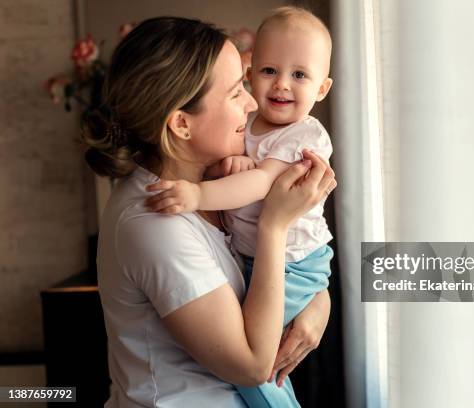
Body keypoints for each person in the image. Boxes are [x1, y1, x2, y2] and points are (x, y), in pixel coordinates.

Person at [82, 16, 336, 408]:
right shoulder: (155, 222)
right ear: (181, 123)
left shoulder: (217, 188)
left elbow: (269, 281)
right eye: (237, 92)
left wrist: (318, 300)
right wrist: (275, 225)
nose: (254, 104)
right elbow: (252, 365)